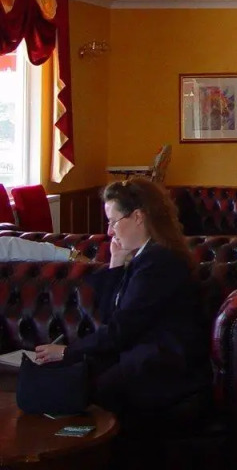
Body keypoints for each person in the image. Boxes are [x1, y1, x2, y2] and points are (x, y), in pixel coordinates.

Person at [34, 178, 211, 422]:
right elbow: (111, 318)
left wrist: (68, 351)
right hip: (142, 354)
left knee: (84, 390)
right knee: (63, 380)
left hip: (164, 365)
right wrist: (116, 264)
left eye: (113, 222)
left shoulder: (158, 262)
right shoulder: (144, 256)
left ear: (138, 217)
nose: (109, 232)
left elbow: (121, 330)